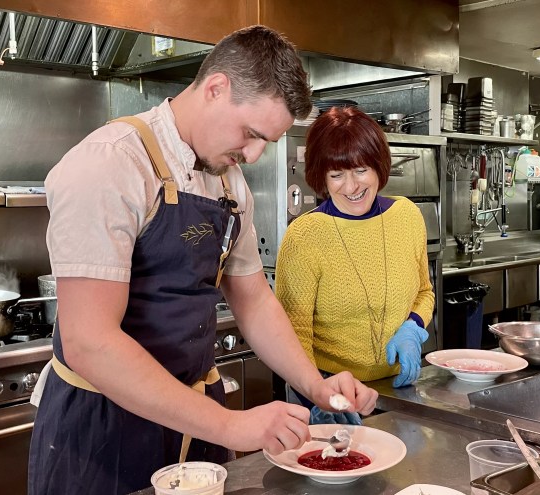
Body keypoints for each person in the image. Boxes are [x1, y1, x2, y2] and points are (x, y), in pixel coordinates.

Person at [28, 25, 377, 495]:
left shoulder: (229, 182)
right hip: (104, 430)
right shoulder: (109, 165)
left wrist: (316, 386)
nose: (253, 155)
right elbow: (90, 342)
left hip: (197, 423)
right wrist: (231, 426)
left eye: (267, 142)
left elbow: (254, 301)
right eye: (251, 134)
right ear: (215, 88)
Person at [275, 106, 434, 423]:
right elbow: (293, 334)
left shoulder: (407, 216)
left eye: (361, 170)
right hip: (330, 393)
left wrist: (413, 327)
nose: (351, 187)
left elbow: (424, 292)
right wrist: (321, 395)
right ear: (322, 177)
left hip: (398, 389)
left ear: (379, 166)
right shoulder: (305, 235)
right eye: (336, 175)